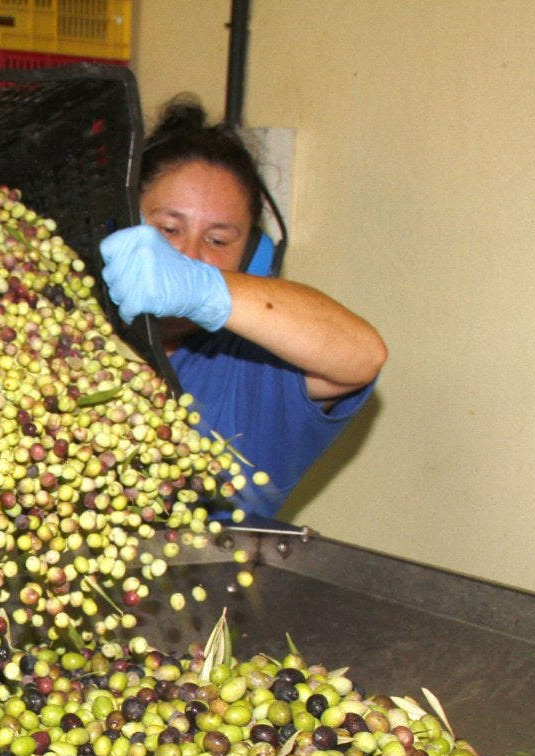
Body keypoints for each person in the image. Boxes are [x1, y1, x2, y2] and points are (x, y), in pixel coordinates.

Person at [100, 96, 387, 517]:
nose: (188, 254)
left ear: (250, 256)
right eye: (167, 229)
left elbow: (362, 355)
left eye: (217, 240)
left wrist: (206, 290)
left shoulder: (255, 366)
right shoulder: (66, 335)